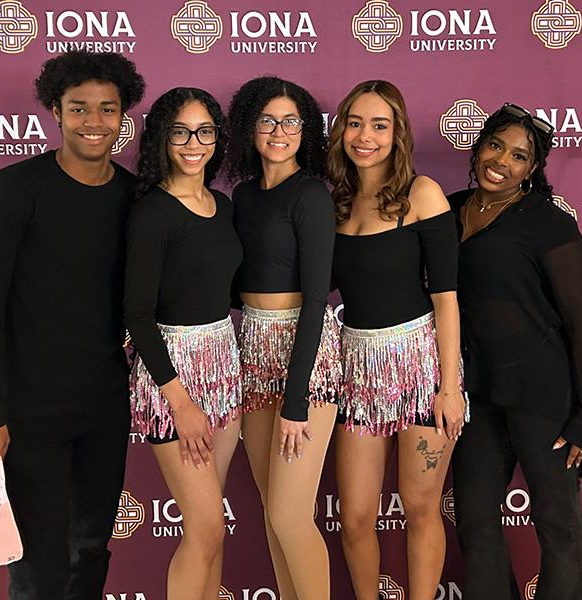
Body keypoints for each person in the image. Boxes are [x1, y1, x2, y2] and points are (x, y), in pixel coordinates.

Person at [0, 50, 145, 599]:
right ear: (56, 113)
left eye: (107, 109)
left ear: (123, 115)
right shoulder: (13, 190)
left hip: (105, 405)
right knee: (38, 558)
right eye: (79, 108)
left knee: (90, 548)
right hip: (28, 409)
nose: (94, 122)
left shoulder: (134, 197)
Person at [448, 103, 582, 600]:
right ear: (478, 147)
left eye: (520, 155)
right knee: (474, 518)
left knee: (557, 523)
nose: (502, 161)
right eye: (496, 145)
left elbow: (581, 323)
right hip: (475, 391)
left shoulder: (548, 222)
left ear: (533, 169)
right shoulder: (446, 210)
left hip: (542, 393)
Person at [327, 80, 466, 600]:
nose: (366, 136)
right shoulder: (335, 204)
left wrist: (448, 388)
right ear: (341, 131)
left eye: (379, 125)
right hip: (357, 371)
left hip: (421, 368)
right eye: (356, 124)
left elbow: (447, 298)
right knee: (357, 516)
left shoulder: (422, 194)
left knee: (420, 506)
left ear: (397, 133)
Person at [125, 87, 242, 600]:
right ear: (161, 139)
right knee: (206, 529)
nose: (194, 143)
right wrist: (181, 401)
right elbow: (137, 316)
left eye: (205, 131)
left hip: (224, 366)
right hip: (172, 377)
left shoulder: (223, 204)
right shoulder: (153, 213)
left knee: (211, 531)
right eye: (180, 132)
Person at [225, 76, 340, 600]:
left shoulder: (312, 195)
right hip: (251, 352)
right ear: (249, 128)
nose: (278, 131)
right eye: (267, 120)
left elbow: (317, 297)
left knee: (293, 517)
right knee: (274, 516)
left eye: (291, 121)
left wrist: (297, 399)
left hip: (305, 355)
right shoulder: (242, 196)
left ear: (306, 131)